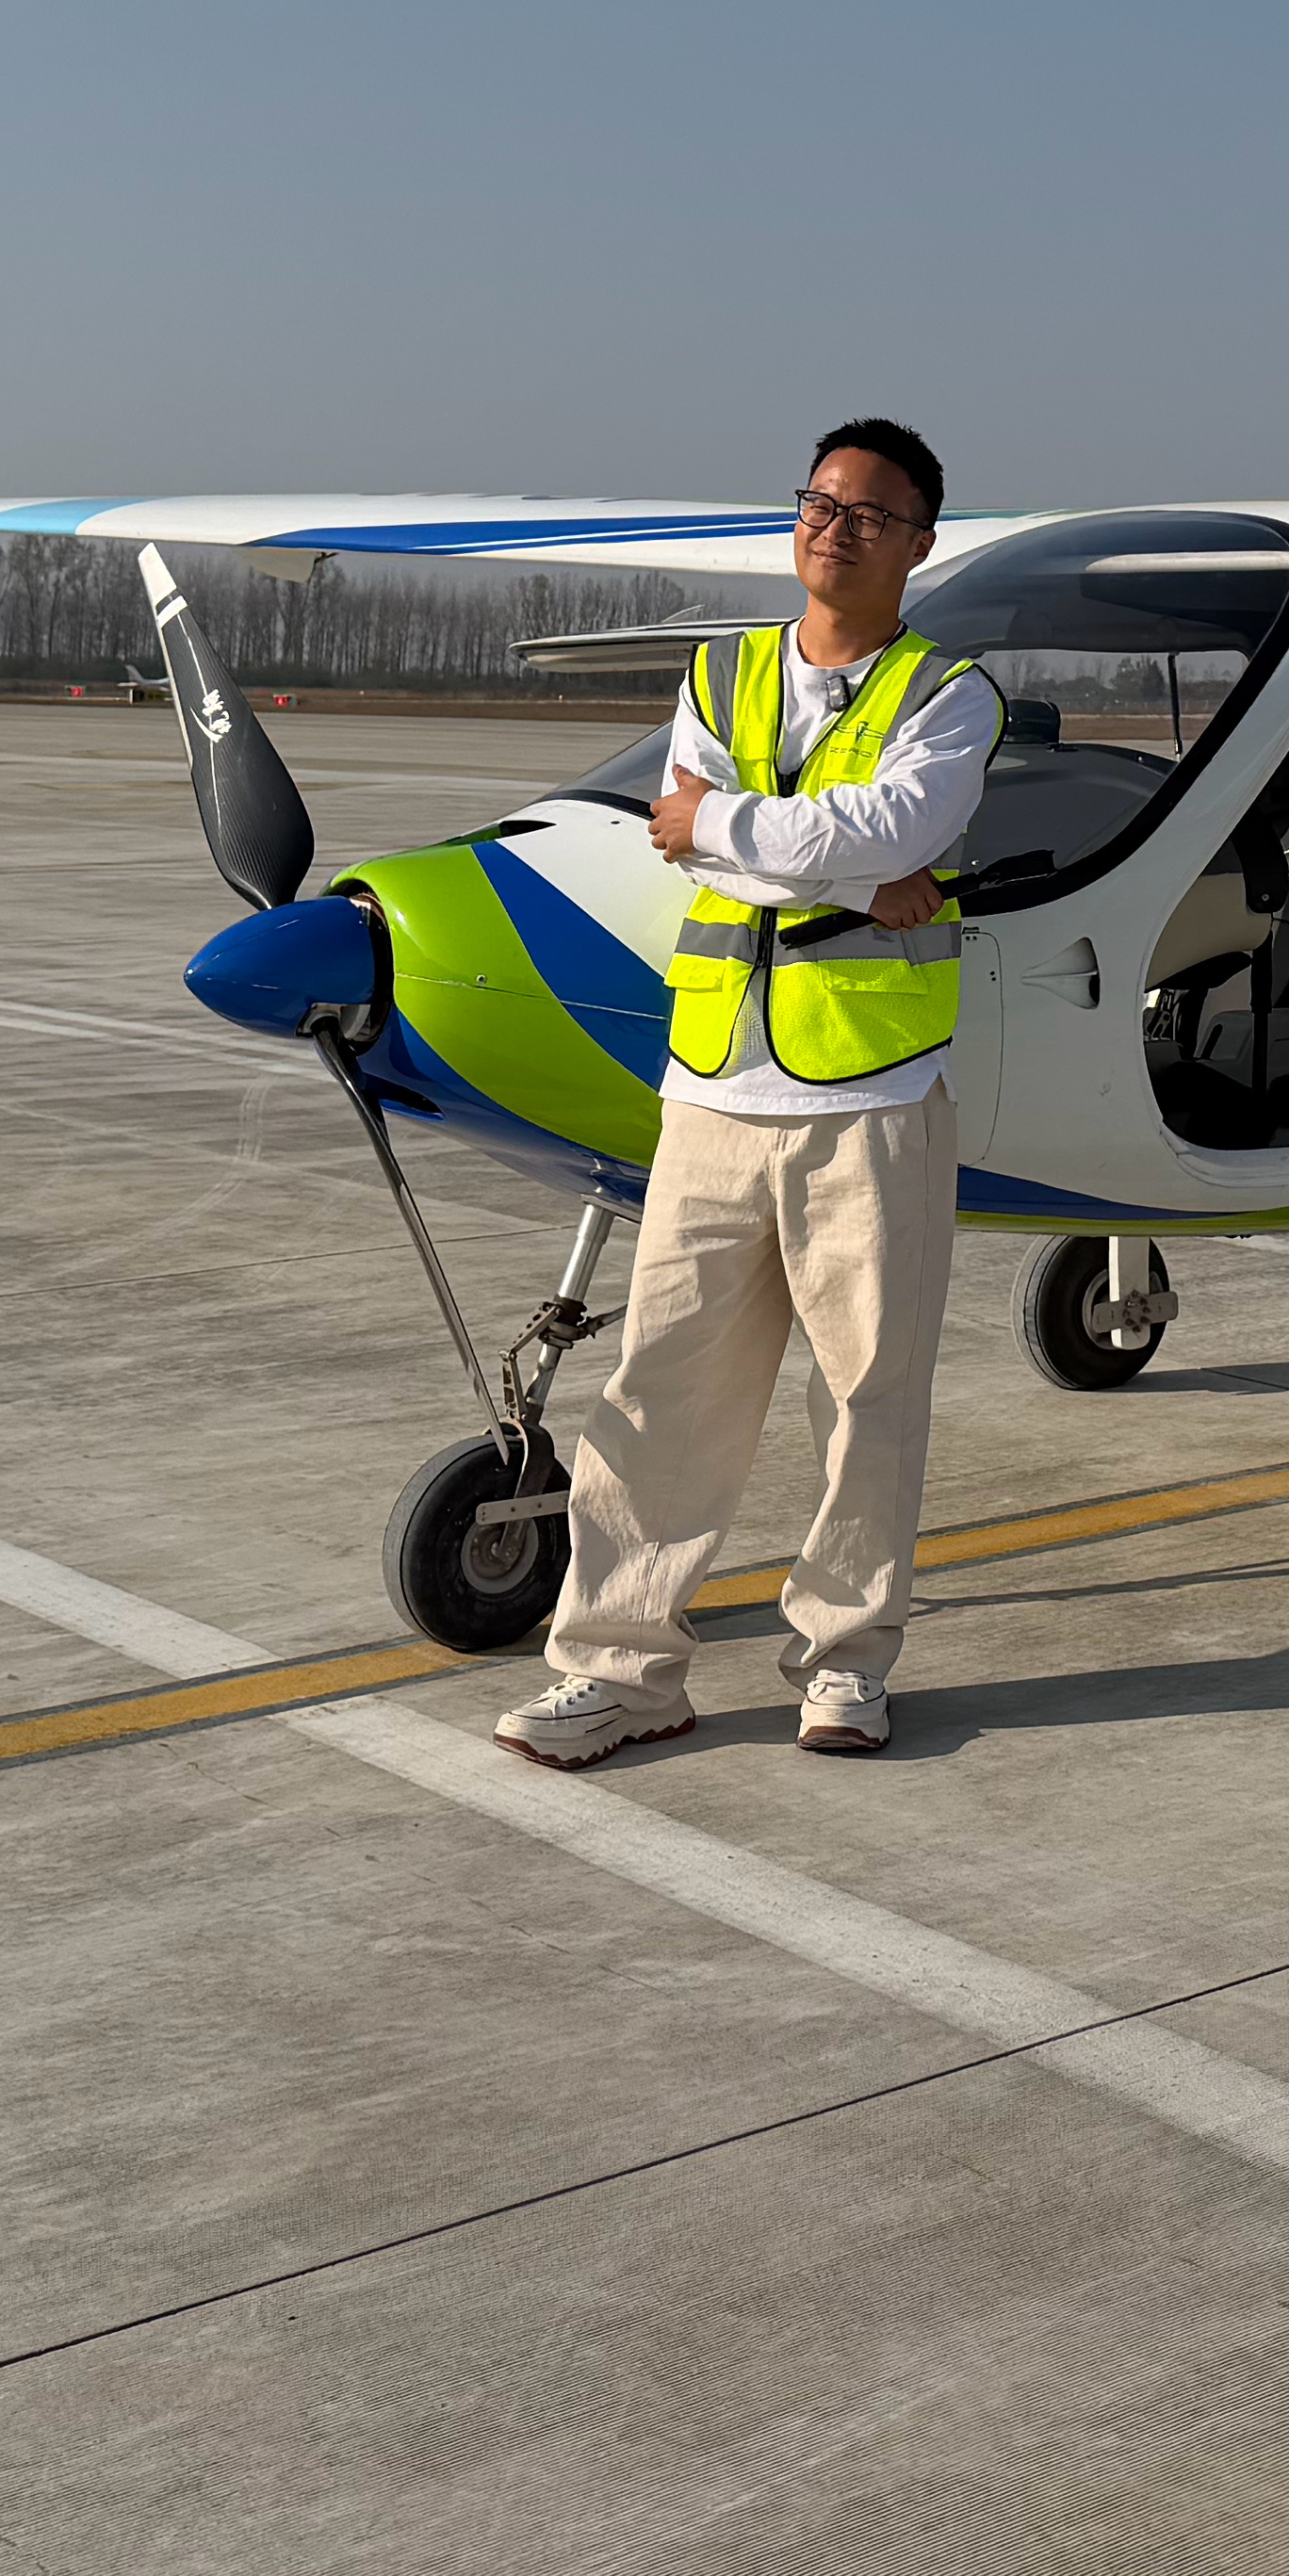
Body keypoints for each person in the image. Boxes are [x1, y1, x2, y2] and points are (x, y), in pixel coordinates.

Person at [498, 420, 997, 1768]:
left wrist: (739, 835)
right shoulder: (720, 672)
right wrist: (833, 867)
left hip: (869, 1098)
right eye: (819, 504)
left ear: (919, 545)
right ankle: (619, 1668)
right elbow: (729, 840)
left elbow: (875, 833)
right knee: (658, 1392)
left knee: (868, 1397)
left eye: (870, 515)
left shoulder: (952, 695)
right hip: (714, 1090)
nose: (834, 528)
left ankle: (845, 1664)